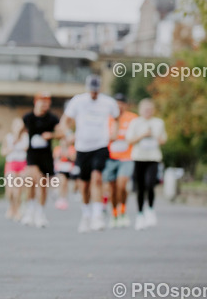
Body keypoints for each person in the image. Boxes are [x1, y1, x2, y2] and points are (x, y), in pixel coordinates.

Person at [62, 76, 119, 233]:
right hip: (82, 147)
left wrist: (114, 132)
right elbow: (65, 121)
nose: (94, 93)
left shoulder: (108, 102)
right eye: (92, 90)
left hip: (100, 145)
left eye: (96, 90)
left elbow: (116, 118)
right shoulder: (78, 101)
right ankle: (86, 214)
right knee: (84, 184)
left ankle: (97, 215)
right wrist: (69, 134)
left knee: (97, 178)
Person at [127, 99, 168, 230]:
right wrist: (143, 135)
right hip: (139, 157)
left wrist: (156, 137)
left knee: (150, 184)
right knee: (140, 187)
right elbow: (129, 140)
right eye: (145, 109)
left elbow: (163, 140)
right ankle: (140, 214)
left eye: (150, 109)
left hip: (153, 158)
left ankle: (150, 208)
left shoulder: (158, 123)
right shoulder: (135, 122)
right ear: (140, 110)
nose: (147, 112)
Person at [21, 93, 60, 228]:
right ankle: (30, 209)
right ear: (36, 102)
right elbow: (20, 130)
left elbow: (61, 133)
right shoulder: (28, 117)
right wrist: (17, 140)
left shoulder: (52, 118)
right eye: (42, 101)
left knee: (42, 183)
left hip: (46, 155)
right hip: (32, 154)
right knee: (32, 180)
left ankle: (40, 212)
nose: (44, 104)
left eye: (47, 102)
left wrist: (52, 135)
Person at [105, 93, 138, 227]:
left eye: (122, 103)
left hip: (127, 157)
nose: (119, 106)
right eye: (117, 103)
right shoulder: (107, 118)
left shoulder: (133, 118)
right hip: (110, 157)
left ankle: (123, 210)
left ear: (126, 105)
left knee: (122, 184)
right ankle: (114, 213)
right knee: (112, 188)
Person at [2, 118, 28, 222]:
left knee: (18, 189)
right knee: (9, 191)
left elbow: (26, 148)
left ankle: (17, 210)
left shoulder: (25, 137)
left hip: (22, 163)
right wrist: (10, 148)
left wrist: (18, 136)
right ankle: (11, 207)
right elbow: (3, 152)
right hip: (11, 163)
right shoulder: (8, 137)